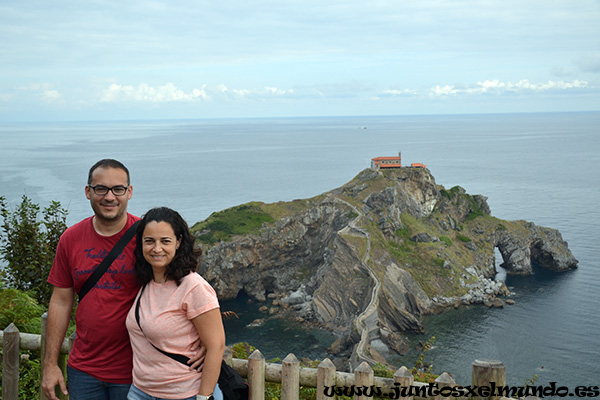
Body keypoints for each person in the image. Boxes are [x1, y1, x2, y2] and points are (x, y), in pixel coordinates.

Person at [41, 160, 204, 400]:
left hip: (138, 372)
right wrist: (50, 364)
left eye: (118, 189)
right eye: (101, 189)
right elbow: (61, 301)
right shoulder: (71, 239)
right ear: (88, 192)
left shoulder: (147, 238)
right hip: (84, 369)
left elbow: (184, 286)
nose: (109, 197)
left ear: (129, 192)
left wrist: (206, 341)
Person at [125, 207, 225, 400]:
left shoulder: (193, 286)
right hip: (140, 391)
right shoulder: (146, 284)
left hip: (186, 393)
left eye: (165, 241)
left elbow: (216, 345)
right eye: (149, 241)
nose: (156, 248)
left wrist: (204, 397)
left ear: (178, 242)